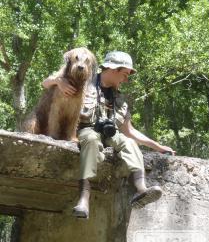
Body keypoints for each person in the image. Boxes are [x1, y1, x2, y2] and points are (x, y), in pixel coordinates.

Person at [43, 51, 175, 219]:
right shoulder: (84, 80)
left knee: (128, 142)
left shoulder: (119, 99)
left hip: (111, 134)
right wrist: (58, 81)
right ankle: (84, 199)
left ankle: (141, 190)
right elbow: (46, 83)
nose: (126, 79)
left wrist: (159, 147)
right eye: (125, 74)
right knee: (90, 140)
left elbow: (130, 131)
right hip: (87, 130)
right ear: (113, 69)